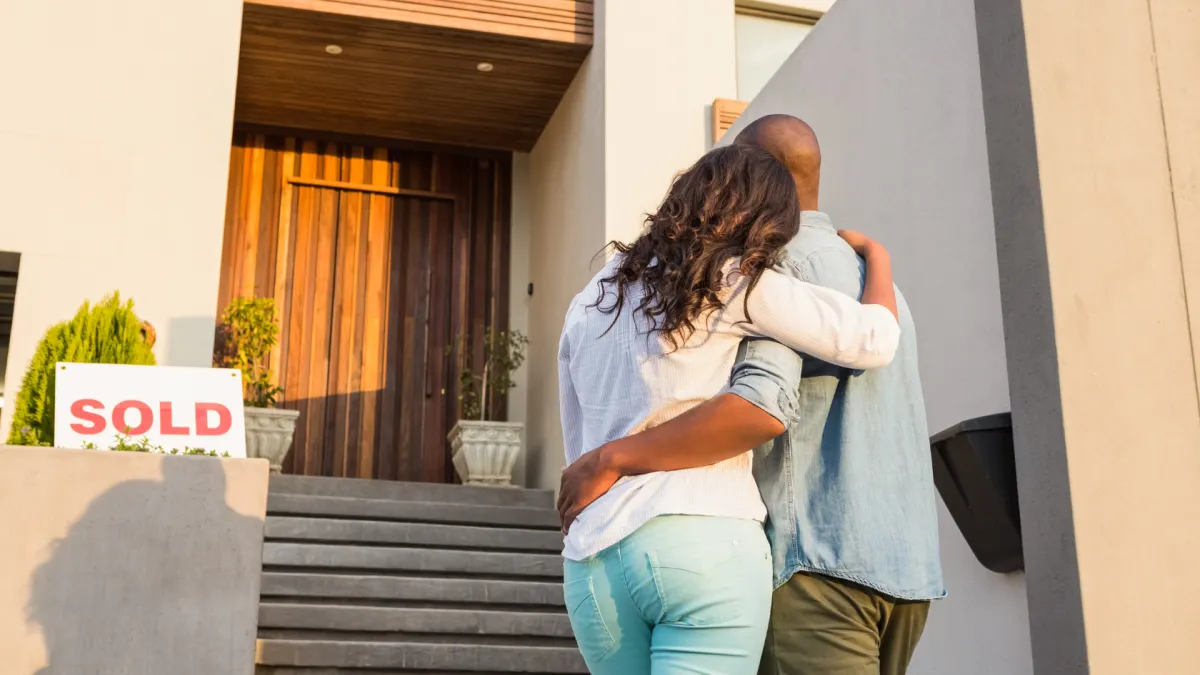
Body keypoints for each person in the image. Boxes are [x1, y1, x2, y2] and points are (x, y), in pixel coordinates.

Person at [559, 115, 944, 675]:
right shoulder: (745, 277)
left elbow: (577, 424)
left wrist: (604, 461)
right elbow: (852, 351)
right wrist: (878, 257)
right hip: (715, 540)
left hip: (595, 555)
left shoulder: (594, 293)